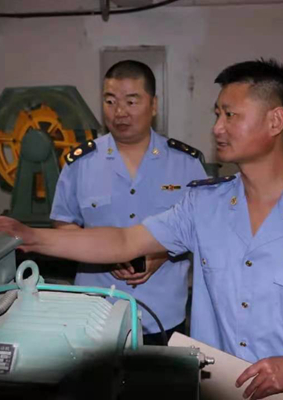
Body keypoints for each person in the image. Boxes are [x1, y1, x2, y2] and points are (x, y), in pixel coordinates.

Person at [0, 59, 283, 399]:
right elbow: (124, 239)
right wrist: (33, 237)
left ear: (275, 120)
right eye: (217, 114)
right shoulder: (204, 205)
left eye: (230, 115)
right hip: (221, 389)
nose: (217, 127)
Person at [50, 60, 207, 345]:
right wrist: (105, 253)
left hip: (163, 315)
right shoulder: (80, 163)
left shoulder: (187, 164)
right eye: (110, 101)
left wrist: (161, 254)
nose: (119, 112)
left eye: (131, 101)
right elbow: (64, 226)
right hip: (95, 312)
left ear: (153, 105)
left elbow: (202, 230)